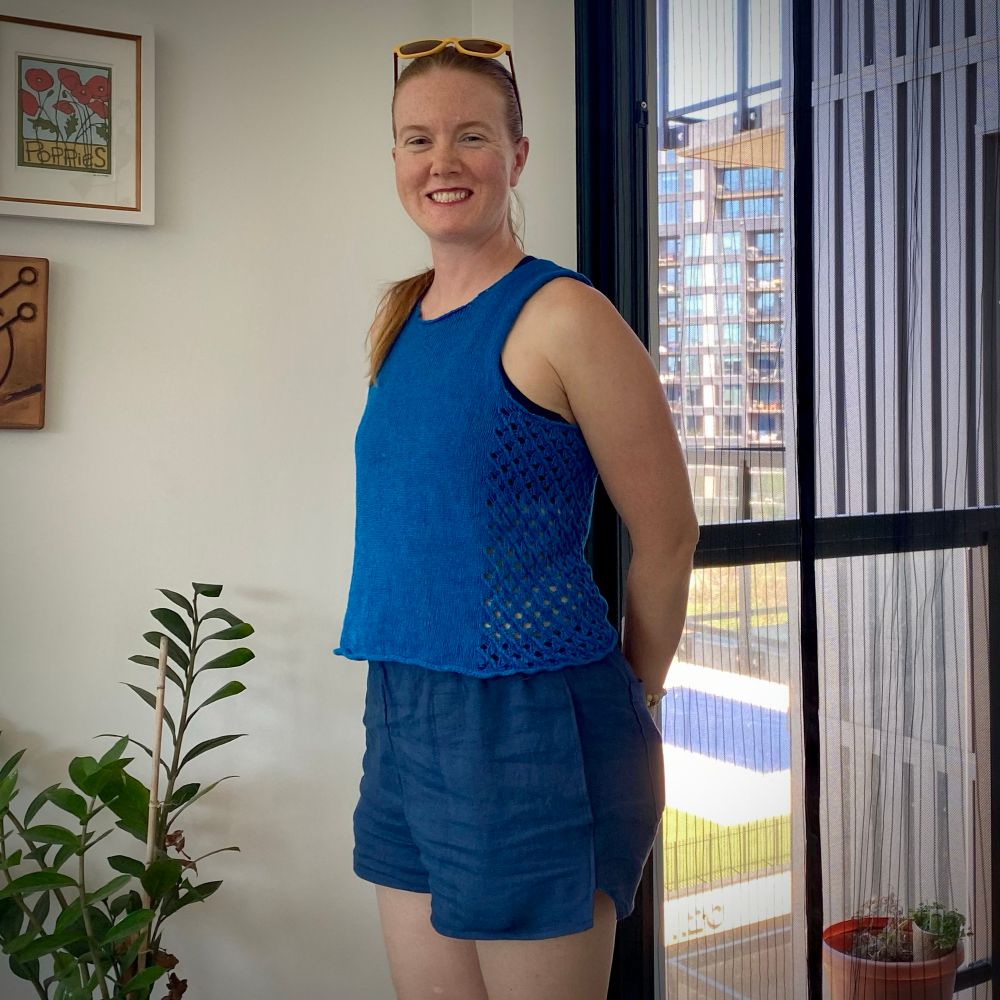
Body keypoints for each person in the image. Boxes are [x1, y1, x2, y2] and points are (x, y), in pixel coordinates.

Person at [333, 37, 699, 1000]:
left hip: (534, 724)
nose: (440, 162)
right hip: (406, 713)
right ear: (397, 160)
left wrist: (640, 695)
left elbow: (668, 535)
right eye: (417, 140)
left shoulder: (565, 315)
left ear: (518, 154)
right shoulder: (401, 321)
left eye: (470, 136)